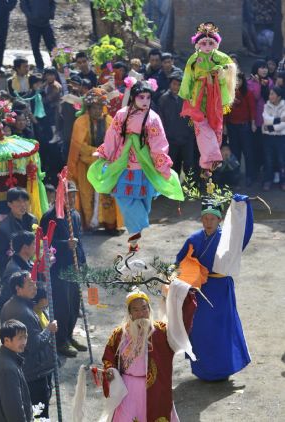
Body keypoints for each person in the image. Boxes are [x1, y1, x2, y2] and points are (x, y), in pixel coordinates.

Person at [87, 78, 184, 251]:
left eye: (148, 98)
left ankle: (135, 234)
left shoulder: (153, 118)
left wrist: (162, 166)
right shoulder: (121, 115)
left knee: (144, 202)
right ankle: (134, 233)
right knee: (125, 199)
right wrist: (105, 153)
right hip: (123, 164)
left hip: (145, 165)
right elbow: (113, 137)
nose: (145, 101)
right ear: (133, 97)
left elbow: (158, 144)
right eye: (141, 97)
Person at [175, 196, 253, 381]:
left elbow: (245, 232)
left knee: (222, 329)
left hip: (221, 290)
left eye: (213, 218)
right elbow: (178, 261)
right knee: (200, 329)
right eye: (205, 218)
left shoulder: (228, 239)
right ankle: (203, 369)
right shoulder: (193, 239)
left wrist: (243, 208)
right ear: (201, 219)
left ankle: (223, 369)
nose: (208, 222)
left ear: (219, 219)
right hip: (199, 291)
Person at [100, 289, 197, 421]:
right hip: (128, 388)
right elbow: (108, 357)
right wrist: (110, 370)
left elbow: (181, 329)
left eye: (144, 308)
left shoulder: (162, 331)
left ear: (149, 309)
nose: (141, 313)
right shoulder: (119, 334)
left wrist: (184, 298)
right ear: (130, 313)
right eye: (136, 310)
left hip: (156, 388)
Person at [178, 22, 236, 175]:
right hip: (198, 97)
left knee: (216, 126)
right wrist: (185, 96)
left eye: (211, 43)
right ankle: (209, 160)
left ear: (216, 44)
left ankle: (209, 162)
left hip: (215, 97)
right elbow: (187, 77)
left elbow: (231, 71)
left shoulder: (221, 58)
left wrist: (221, 72)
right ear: (198, 44)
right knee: (201, 128)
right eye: (204, 43)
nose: (208, 46)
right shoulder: (193, 59)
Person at [0, 271, 57, 418]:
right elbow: (34, 344)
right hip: (33, 372)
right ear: (18, 289)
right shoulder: (22, 312)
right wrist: (49, 330)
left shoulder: (12, 305)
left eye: (34, 283)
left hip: (28, 369)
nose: (35, 287)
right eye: (30, 284)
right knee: (39, 413)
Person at [40, 181, 87, 357]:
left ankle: (68, 335)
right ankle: (61, 341)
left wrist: (83, 264)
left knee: (75, 305)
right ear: (60, 196)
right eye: (68, 195)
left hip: (74, 268)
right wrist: (64, 245)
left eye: (74, 195)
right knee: (63, 306)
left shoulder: (75, 215)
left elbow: (80, 242)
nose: (72, 199)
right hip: (58, 269)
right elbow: (44, 244)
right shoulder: (49, 217)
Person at [68, 88, 122, 232]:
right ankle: (89, 224)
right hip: (85, 166)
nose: (98, 110)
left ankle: (109, 223)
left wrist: (105, 155)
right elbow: (79, 147)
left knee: (107, 195)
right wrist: (97, 154)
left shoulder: (110, 121)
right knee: (87, 194)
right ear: (89, 108)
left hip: (105, 165)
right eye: (95, 107)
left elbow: (115, 143)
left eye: (100, 107)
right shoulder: (80, 122)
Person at [0, 319, 33, 421]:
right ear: (7, 340)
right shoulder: (7, 369)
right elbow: (14, 410)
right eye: (20, 338)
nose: (24, 342)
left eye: (26, 337)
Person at [0, 187, 37, 278]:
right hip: (14, 274)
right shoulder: (2, 229)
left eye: (25, 201)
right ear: (9, 204)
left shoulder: (33, 220)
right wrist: (17, 260)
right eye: (18, 201)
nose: (23, 205)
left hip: (33, 268)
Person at [158, 71, 195, 176]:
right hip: (171, 139)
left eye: (179, 84)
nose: (176, 87)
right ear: (170, 84)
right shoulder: (163, 99)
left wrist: (190, 131)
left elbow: (194, 117)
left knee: (189, 166)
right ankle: (174, 190)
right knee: (173, 166)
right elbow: (161, 120)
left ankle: (189, 190)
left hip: (187, 138)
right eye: (174, 84)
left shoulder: (188, 98)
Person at [226, 71, 256, 186]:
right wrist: (224, 125)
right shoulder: (228, 94)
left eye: (239, 80)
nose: (237, 83)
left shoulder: (248, 93)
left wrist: (253, 123)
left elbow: (252, 109)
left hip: (245, 126)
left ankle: (249, 176)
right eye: (235, 80)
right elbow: (225, 111)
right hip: (232, 126)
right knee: (235, 153)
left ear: (243, 81)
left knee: (248, 152)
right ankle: (236, 177)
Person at [248, 59, 274, 174]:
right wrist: (258, 84)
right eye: (262, 67)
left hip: (267, 121)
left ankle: (267, 172)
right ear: (256, 69)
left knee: (267, 149)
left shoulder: (270, 82)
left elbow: (269, 98)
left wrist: (263, 85)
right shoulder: (249, 83)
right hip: (255, 121)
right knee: (255, 147)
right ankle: (255, 171)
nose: (264, 70)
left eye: (265, 68)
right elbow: (256, 97)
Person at [0, 230, 35, 310]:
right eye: (33, 244)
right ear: (25, 248)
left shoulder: (27, 262)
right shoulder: (15, 270)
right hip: (15, 311)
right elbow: (10, 296)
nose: (36, 246)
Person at [20, 0, 56, 71]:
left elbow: (52, 3)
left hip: (46, 23)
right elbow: (23, 4)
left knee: (51, 45)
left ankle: (56, 64)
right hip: (32, 23)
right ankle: (39, 66)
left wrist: (50, 14)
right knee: (35, 46)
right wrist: (30, 16)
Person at [262, 86, 285, 191]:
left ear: (279, 96)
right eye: (270, 94)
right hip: (268, 138)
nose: (270, 96)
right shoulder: (266, 105)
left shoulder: (284, 106)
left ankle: (283, 181)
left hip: (281, 138)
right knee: (268, 160)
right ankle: (268, 181)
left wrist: (270, 127)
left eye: (272, 94)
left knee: (281, 160)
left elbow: (283, 126)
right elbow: (266, 120)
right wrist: (279, 119)